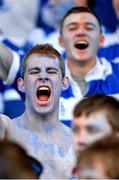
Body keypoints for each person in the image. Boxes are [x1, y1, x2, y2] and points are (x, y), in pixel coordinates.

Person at [0, 43, 72, 178]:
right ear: (21, 84)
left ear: (64, 83)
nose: (43, 76)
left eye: (51, 71)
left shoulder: (80, 144)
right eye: (34, 71)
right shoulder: (5, 129)